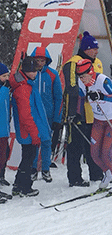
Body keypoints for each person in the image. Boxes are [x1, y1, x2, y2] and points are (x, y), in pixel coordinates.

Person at [76, 59, 112, 193]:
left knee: (106, 153)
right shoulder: (81, 83)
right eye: (80, 77)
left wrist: (101, 95)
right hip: (98, 120)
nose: (83, 79)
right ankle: (108, 174)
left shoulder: (103, 80)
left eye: (84, 76)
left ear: (91, 73)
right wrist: (78, 113)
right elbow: (80, 97)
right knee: (94, 154)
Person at [62, 31, 104, 187]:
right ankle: (75, 178)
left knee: (93, 145)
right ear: (86, 49)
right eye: (93, 48)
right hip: (77, 113)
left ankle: (96, 174)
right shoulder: (73, 63)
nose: (96, 51)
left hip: (94, 113)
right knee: (75, 147)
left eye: (96, 48)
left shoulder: (97, 62)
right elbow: (72, 87)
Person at [10, 57, 51, 197]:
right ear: (26, 71)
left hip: (29, 130)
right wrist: (35, 133)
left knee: (27, 158)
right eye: (32, 71)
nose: (35, 74)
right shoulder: (23, 89)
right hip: (28, 131)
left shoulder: (26, 85)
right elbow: (26, 115)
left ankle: (18, 185)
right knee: (29, 159)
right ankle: (25, 187)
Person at [29, 46, 63, 182]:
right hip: (32, 114)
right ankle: (32, 168)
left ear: (46, 61)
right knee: (33, 142)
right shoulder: (28, 73)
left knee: (46, 142)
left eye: (42, 60)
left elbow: (59, 97)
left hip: (48, 115)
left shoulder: (53, 74)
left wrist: (57, 118)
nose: (39, 63)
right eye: (37, 60)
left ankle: (45, 169)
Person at [0, 63, 11, 186]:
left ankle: (1, 176)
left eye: (7, 75)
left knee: (3, 156)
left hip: (4, 129)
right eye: (4, 76)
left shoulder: (5, 89)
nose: (7, 78)